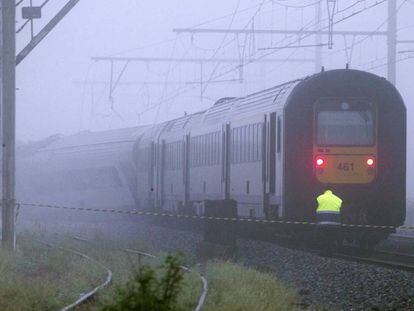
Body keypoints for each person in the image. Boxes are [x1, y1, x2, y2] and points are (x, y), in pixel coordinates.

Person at [316, 185, 343, 255]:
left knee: (324, 238)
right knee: (331, 238)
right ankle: (331, 253)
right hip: (334, 224)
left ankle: (323, 252)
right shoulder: (338, 199)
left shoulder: (319, 198)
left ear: (324, 191)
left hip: (322, 223)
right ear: (332, 191)